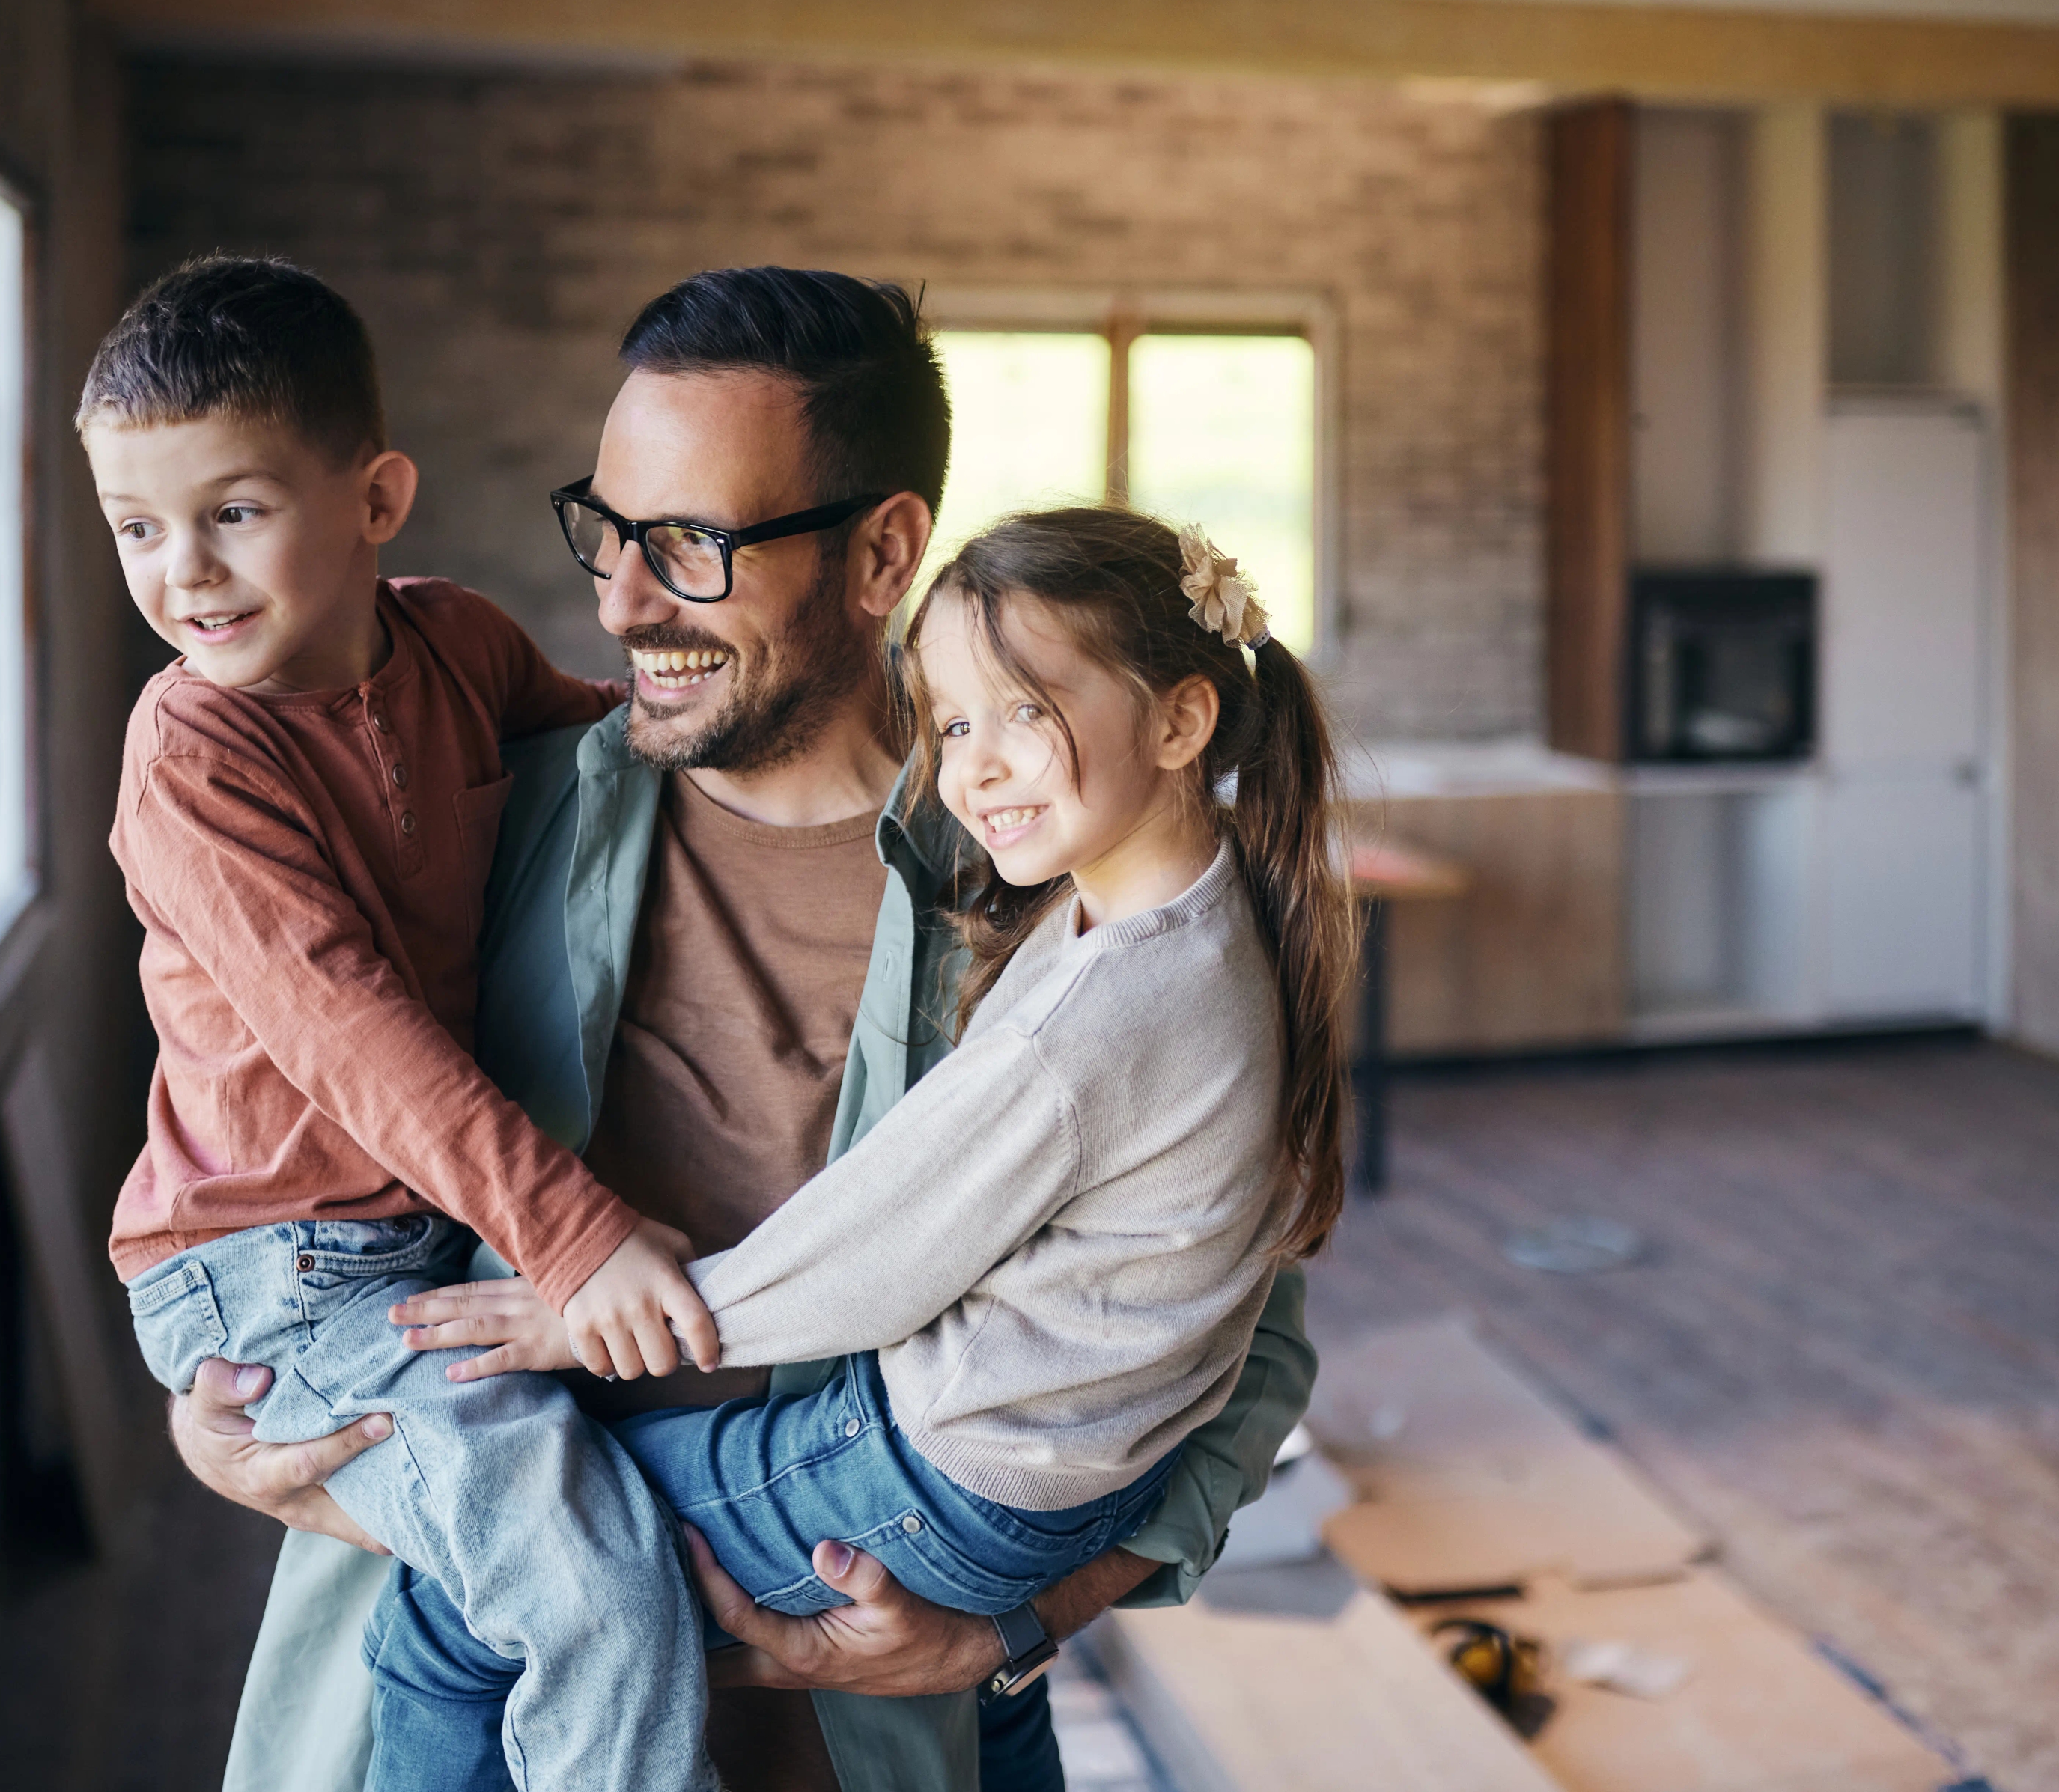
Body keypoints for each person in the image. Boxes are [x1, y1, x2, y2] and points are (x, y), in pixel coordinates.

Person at [171, 267, 1319, 1792]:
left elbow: (1247, 1340)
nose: (621, 598)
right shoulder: (492, 816)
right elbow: (268, 1169)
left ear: (883, 553)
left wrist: (1022, 1626)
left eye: (692, 546)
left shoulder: (1070, 889)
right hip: (481, 1705)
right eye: (612, 528)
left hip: (887, 1732)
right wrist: (220, 1425)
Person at [371, 503, 1356, 1785]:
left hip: (944, 1470)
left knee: (479, 1571)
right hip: (1072, 1475)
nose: (975, 767)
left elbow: (877, 1250)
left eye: (1025, 709)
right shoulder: (1208, 913)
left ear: (1180, 721)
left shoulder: (1095, 1016)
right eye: (952, 722)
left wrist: (594, 1321)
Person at [85, 256, 727, 1792]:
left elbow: (615, 753)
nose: (185, 572)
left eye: (233, 511)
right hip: (267, 1272)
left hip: (414, 1242)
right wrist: (575, 1233)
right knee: (598, 1586)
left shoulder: (457, 645)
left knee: (618, 1515)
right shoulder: (190, 751)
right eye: (136, 529)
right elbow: (348, 1033)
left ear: (376, 498)